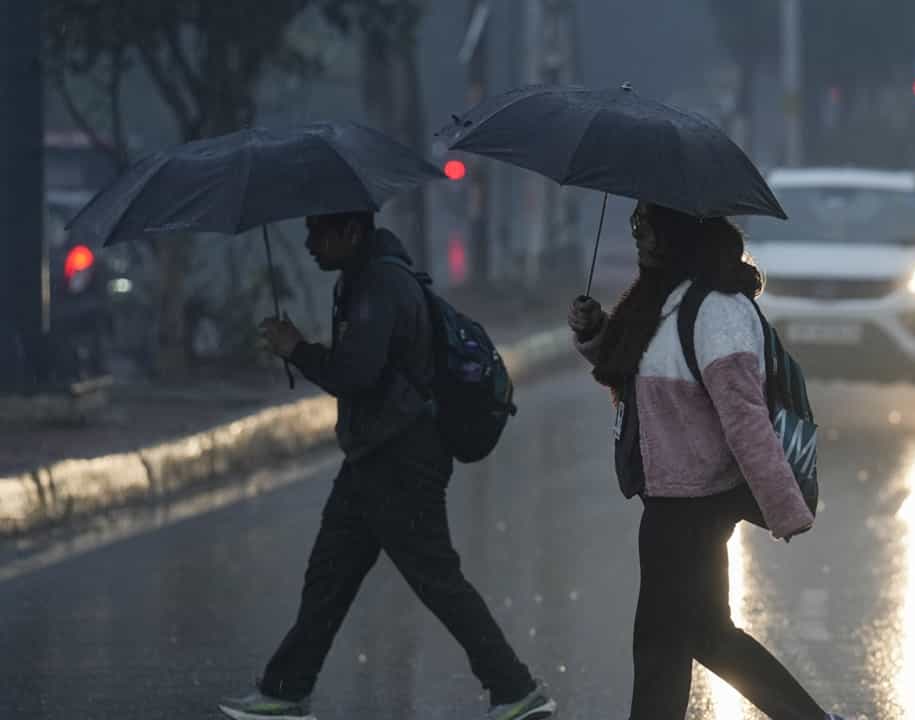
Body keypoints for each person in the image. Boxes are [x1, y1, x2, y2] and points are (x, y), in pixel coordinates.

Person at [219, 212, 555, 720]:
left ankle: (515, 688)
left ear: (351, 232)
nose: (309, 242)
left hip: (401, 459)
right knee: (328, 579)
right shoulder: (364, 279)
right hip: (372, 455)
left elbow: (357, 373)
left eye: (319, 232)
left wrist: (298, 350)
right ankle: (284, 689)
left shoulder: (380, 285)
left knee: (436, 580)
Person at [567, 202, 844, 720]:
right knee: (708, 635)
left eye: (647, 228)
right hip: (674, 495)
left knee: (658, 646)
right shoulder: (662, 299)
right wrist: (596, 333)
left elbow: (746, 420)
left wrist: (784, 507)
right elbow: (628, 369)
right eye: (636, 228)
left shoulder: (717, 310)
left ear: (678, 233)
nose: (639, 240)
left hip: (691, 502)